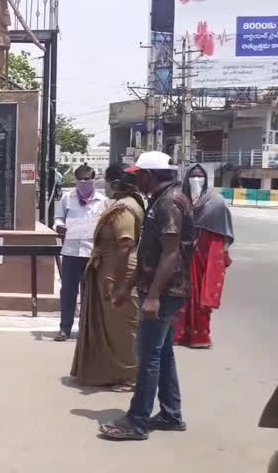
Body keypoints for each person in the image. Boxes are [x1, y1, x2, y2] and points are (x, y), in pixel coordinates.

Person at [99, 151, 194, 441]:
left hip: (164, 292)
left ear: (150, 175)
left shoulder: (168, 203)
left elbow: (170, 253)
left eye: (139, 174)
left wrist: (152, 296)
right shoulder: (162, 199)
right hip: (161, 289)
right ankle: (170, 414)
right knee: (162, 354)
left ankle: (137, 421)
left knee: (149, 355)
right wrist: (129, 287)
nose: (136, 179)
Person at [71, 164, 144, 391]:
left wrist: (115, 278)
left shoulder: (124, 208)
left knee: (120, 326)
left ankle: (128, 375)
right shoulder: (126, 204)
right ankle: (109, 371)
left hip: (119, 269)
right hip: (112, 266)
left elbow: (125, 244)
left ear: (115, 183)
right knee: (112, 324)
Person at [175, 164, 234, 349]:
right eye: (193, 176)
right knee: (181, 293)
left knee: (202, 294)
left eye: (200, 176)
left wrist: (223, 250)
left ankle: (200, 336)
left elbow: (224, 229)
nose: (197, 179)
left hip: (206, 253)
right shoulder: (179, 198)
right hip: (182, 252)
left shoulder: (216, 200)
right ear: (187, 178)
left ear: (207, 179)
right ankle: (180, 334)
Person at [53, 164, 108, 341]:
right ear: (76, 180)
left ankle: (86, 329)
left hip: (92, 252)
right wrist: (59, 226)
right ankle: (65, 328)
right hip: (71, 251)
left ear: (93, 179)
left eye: (87, 179)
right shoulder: (67, 198)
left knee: (89, 292)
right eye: (81, 179)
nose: (84, 182)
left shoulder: (102, 200)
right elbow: (58, 218)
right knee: (68, 291)